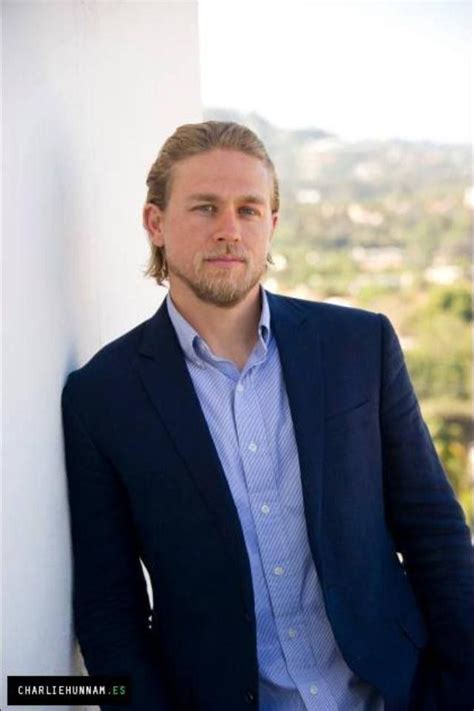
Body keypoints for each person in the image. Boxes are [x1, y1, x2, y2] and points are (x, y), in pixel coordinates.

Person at [62, 121, 474, 711]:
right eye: (205, 208)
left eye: (249, 210)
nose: (229, 230)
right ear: (155, 223)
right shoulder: (102, 396)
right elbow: (110, 609)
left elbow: (434, 529)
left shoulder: (361, 345)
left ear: (271, 225)